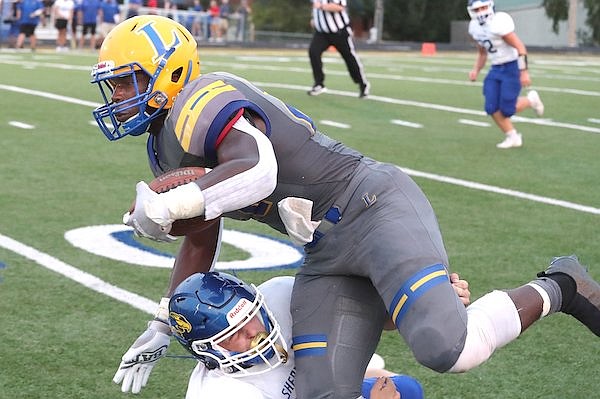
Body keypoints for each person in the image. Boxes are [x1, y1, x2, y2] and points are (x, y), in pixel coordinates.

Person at [90, 15, 600, 399]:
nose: (116, 95)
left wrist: (172, 203)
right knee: (324, 392)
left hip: (371, 205)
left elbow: (258, 169)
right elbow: (203, 236)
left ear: (170, 70)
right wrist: (164, 321)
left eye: (125, 81)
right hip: (325, 250)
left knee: (447, 347)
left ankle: (564, 286)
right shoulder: (164, 148)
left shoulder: (202, 99)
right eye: (112, 85)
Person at [165, 271, 443, 398]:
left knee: (409, 390)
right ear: (208, 352)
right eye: (234, 334)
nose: (255, 332)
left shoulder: (282, 295)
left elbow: (375, 316)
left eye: (251, 316)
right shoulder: (226, 393)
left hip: (316, 387)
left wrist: (431, 303)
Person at [466, 0, 545, 149]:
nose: (481, 12)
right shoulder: (474, 27)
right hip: (496, 67)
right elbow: (482, 52)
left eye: (484, 7)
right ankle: (512, 136)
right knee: (491, 106)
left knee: (507, 109)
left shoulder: (498, 22)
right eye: (477, 9)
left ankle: (531, 100)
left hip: (512, 66)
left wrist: (524, 72)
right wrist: (476, 70)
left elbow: (520, 47)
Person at [307, 0, 369, 98]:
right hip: (321, 33)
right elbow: (315, 7)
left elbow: (339, 7)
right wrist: (315, 19)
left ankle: (362, 83)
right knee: (313, 52)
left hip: (339, 31)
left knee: (349, 58)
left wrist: (322, 6)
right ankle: (319, 83)